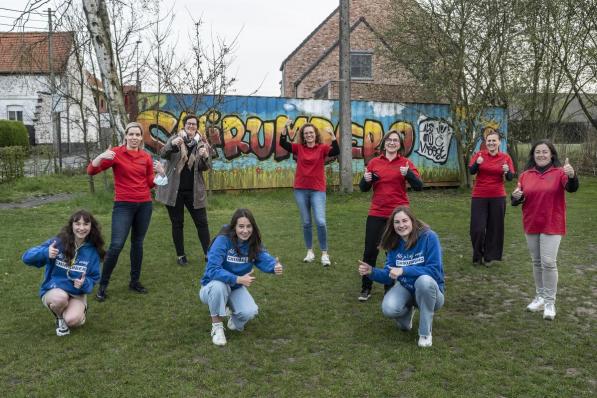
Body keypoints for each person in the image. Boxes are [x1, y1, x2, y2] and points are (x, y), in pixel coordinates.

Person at [87, 122, 166, 301]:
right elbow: (91, 171)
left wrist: (160, 173)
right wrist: (101, 156)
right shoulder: (115, 154)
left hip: (144, 205)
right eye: (131, 134)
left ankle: (134, 281)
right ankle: (103, 285)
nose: (134, 138)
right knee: (116, 245)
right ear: (125, 136)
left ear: (141, 138)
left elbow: (149, 183)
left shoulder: (145, 157)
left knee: (137, 244)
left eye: (138, 135)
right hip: (123, 205)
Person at [358, 206, 445, 348]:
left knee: (424, 280)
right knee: (389, 308)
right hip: (407, 288)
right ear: (392, 225)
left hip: (431, 293)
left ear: (412, 221)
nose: (401, 225)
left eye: (405, 220)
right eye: (397, 222)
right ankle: (408, 311)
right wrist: (371, 271)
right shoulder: (394, 243)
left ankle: (425, 332)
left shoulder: (429, 237)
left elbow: (434, 271)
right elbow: (389, 275)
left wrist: (404, 270)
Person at [511, 139, 578, 320]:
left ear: (551, 154)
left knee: (548, 262)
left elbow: (572, 188)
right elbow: (517, 200)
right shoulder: (525, 175)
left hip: (552, 223)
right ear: (533, 155)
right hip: (531, 223)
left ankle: (549, 302)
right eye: (538, 152)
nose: (541, 155)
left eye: (545, 152)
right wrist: (515, 197)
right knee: (537, 262)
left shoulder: (559, 173)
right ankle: (540, 296)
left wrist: (572, 176)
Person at [199, 208, 283, 346]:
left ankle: (232, 315)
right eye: (241, 226)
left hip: (235, 288)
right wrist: (237, 279)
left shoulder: (253, 242)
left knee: (250, 312)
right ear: (234, 227)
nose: (245, 231)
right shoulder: (223, 240)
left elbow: (263, 257)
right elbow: (212, 270)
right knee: (219, 287)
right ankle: (217, 327)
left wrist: (274, 266)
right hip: (211, 287)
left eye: (248, 226)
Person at [358, 130, 423, 301]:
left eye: (395, 140)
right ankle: (366, 287)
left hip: (398, 215)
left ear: (400, 145)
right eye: (389, 140)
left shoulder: (405, 163)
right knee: (370, 251)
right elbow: (363, 188)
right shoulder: (374, 163)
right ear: (384, 143)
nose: (392, 143)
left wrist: (407, 174)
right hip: (377, 212)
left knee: (393, 252)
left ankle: (391, 287)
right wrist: (366, 179)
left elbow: (419, 186)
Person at [22, 210, 105, 336]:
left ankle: (77, 312)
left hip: (77, 293)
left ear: (91, 227)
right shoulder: (58, 242)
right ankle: (60, 318)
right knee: (60, 299)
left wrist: (84, 283)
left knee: (72, 320)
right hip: (55, 290)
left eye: (86, 224)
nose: (81, 228)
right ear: (71, 225)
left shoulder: (93, 250)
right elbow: (26, 257)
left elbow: (94, 277)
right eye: (77, 224)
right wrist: (45, 253)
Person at [279, 120, 339, 266]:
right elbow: (283, 143)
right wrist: (285, 127)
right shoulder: (299, 148)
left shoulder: (322, 148)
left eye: (311, 132)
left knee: (320, 221)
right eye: (306, 133)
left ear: (315, 134)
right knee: (306, 222)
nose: (309, 135)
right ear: (303, 136)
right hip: (300, 189)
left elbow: (336, 151)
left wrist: (332, 136)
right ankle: (310, 251)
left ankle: (324, 253)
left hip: (317, 190)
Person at [156, 114, 211, 266]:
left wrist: (205, 157)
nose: (191, 126)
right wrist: (172, 144)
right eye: (189, 124)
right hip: (174, 190)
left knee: (202, 222)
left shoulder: (202, 144)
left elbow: (204, 167)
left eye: (194, 124)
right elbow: (163, 154)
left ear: (197, 127)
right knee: (177, 223)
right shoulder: (175, 139)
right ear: (184, 125)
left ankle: (208, 254)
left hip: (194, 191)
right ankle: (181, 255)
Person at [469, 129, 515, 266]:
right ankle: (477, 255)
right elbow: (471, 170)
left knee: (494, 227)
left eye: (494, 140)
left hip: (498, 196)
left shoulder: (505, 157)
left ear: (499, 142)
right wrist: (477, 163)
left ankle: (489, 256)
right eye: (489, 141)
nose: (491, 143)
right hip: (479, 196)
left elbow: (510, 177)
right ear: (485, 143)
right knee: (477, 228)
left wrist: (507, 171)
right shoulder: (479, 155)